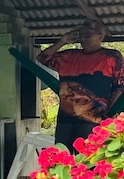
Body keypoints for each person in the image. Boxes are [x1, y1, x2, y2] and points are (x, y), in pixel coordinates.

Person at [37, 19, 124, 149]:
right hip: (65, 120)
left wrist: (109, 114)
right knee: (61, 160)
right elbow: (42, 58)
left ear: (101, 36)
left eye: (88, 35)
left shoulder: (111, 57)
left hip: (94, 121)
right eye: (82, 34)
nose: (84, 38)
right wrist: (63, 41)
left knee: (89, 162)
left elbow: (120, 87)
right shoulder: (69, 56)